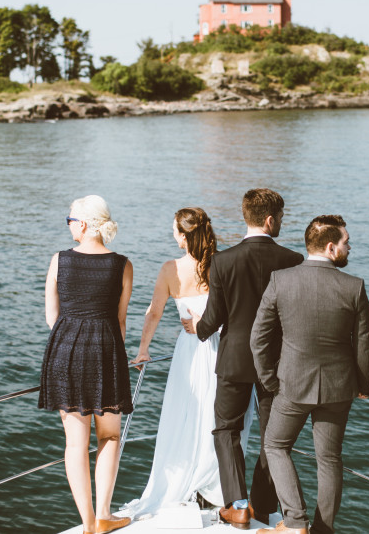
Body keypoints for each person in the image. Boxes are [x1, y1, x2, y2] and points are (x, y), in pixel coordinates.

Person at [122, 207, 255, 517]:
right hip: (227, 350)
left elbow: (153, 313)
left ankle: (190, 481)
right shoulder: (226, 264)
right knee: (221, 420)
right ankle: (219, 487)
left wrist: (143, 349)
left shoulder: (171, 269)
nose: (172, 235)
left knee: (188, 414)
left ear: (183, 237)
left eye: (174, 230)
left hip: (191, 351)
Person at [250, 215, 369, 534]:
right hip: (339, 388)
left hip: (291, 385)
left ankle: (294, 522)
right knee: (329, 459)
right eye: (347, 242)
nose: (350, 247)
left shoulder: (281, 280)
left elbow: (258, 338)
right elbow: (363, 344)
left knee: (276, 446)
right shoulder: (354, 286)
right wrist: (364, 386)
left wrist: (268, 379)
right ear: (331, 247)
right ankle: (322, 530)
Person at [192, 188, 304, 529]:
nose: (282, 223)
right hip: (278, 362)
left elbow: (213, 319)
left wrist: (197, 328)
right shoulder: (293, 260)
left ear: (246, 217)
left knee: (226, 430)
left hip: (234, 360)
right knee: (275, 437)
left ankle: (237, 505)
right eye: (281, 217)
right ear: (270, 220)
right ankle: (263, 504)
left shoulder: (223, 261)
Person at [38, 195, 133, 534]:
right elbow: (120, 321)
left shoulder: (59, 261)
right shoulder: (122, 264)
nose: (68, 225)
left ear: (82, 224)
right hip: (107, 352)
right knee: (109, 437)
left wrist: (71, 336)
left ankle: (88, 524)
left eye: (69, 219)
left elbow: (52, 317)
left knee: (75, 445)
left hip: (65, 353)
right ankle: (105, 514)